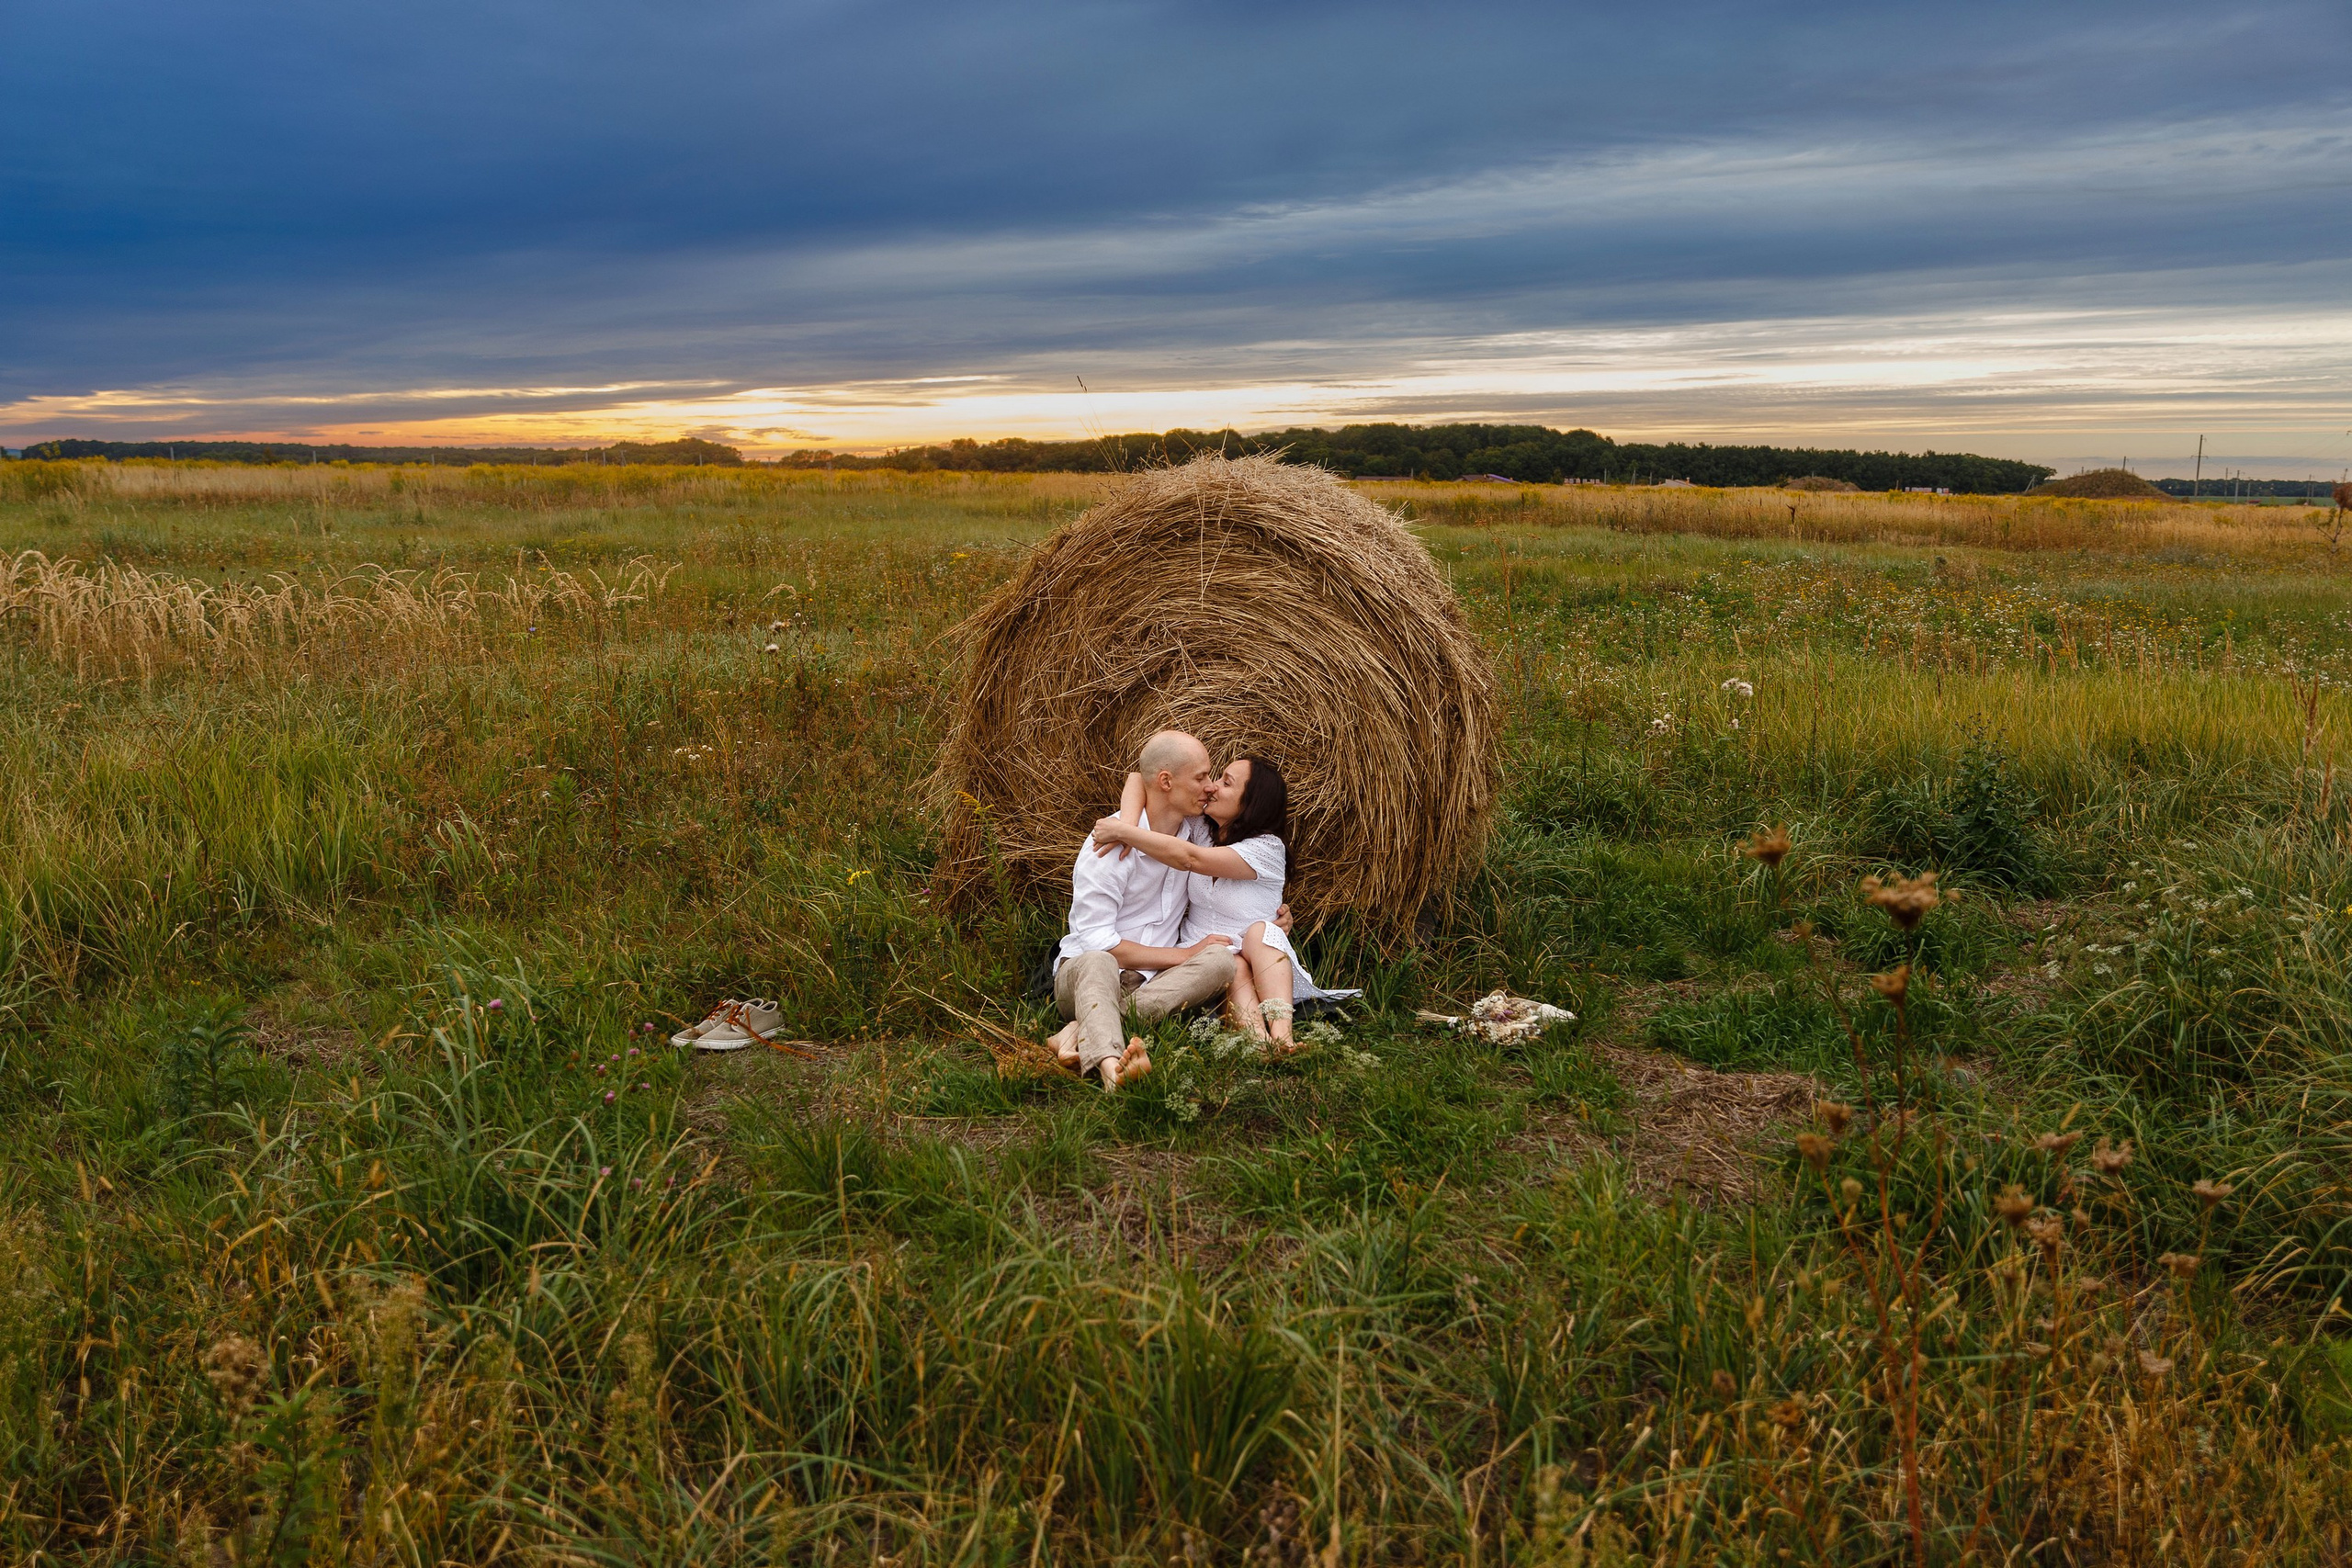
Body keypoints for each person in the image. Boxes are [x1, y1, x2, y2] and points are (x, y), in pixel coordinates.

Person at [1091, 753, 1325, 1050]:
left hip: (1262, 961)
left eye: (1226, 783)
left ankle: (1283, 1036)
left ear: (1251, 803)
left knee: (1261, 932)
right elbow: (1140, 777)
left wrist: (1126, 833)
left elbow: (1191, 859)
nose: (1212, 786)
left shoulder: (1267, 848)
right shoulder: (1202, 829)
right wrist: (1127, 822)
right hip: (1206, 958)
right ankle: (1260, 1045)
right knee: (1232, 962)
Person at [1046, 729, 1237, 1090]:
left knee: (1221, 962)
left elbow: (1137, 776)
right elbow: (1100, 944)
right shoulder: (1106, 848)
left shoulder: (1195, 832)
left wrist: (1270, 920)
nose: (1211, 787)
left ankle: (1080, 1030)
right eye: (1201, 777)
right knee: (1100, 960)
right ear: (1166, 782)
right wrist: (1185, 955)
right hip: (1088, 975)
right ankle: (1111, 1069)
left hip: (1154, 982)